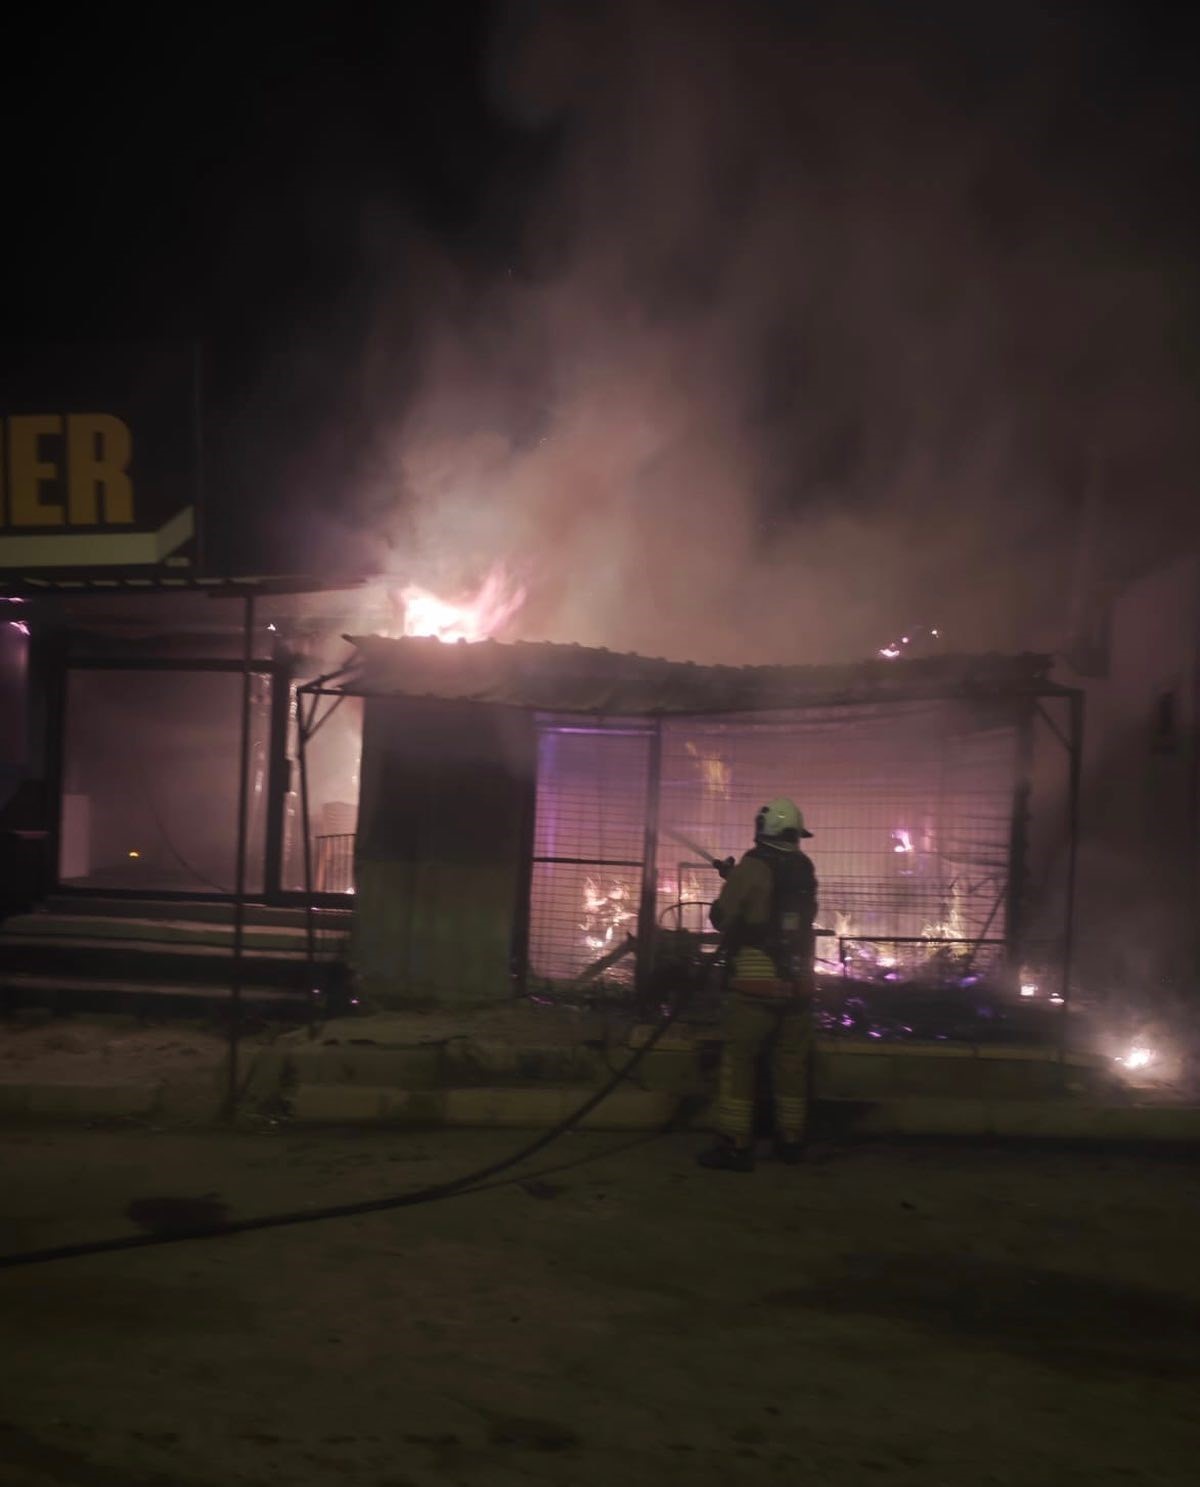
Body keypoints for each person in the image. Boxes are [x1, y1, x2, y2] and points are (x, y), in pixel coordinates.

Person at [698, 797, 818, 1172]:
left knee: (739, 1062)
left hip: (755, 984)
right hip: (798, 984)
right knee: (791, 1064)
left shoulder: (751, 867)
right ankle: (792, 1142)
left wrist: (734, 884)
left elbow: (722, 918)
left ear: (761, 829)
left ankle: (735, 1144)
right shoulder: (805, 867)